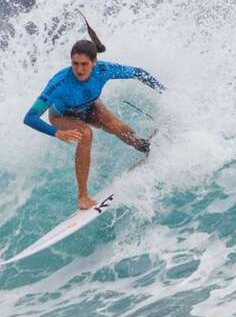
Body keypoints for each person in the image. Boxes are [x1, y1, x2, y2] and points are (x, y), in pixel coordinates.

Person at [23, 18, 165, 210]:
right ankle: (83, 196)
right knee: (86, 134)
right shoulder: (59, 83)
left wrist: (166, 93)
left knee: (120, 128)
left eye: (84, 64)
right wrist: (56, 132)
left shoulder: (103, 69)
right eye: (75, 64)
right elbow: (29, 117)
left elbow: (139, 72)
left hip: (90, 107)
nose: (79, 69)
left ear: (94, 62)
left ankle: (144, 146)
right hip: (61, 116)